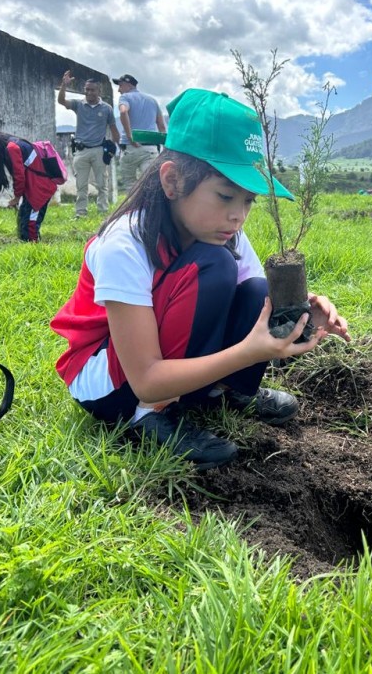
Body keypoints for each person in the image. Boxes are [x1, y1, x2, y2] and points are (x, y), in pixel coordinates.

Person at [50, 89, 351, 471]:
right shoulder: (123, 244)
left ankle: (218, 391)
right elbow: (144, 378)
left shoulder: (223, 231)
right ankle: (147, 416)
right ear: (172, 181)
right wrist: (247, 353)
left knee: (257, 289)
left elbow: (258, 299)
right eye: (226, 196)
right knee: (214, 266)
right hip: (114, 381)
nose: (238, 216)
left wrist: (305, 309)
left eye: (247, 201)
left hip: (157, 357)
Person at [0, 127, 59, 242]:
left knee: (30, 226)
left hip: (40, 188)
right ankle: (29, 247)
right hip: (33, 188)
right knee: (23, 222)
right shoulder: (8, 144)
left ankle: (34, 250)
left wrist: (17, 197)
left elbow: (19, 176)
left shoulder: (12, 148)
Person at [58, 71, 119, 218]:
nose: (89, 92)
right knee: (81, 184)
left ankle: (103, 211)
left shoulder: (107, 109)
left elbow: (113, 129)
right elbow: (61, 101)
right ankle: (80, 213)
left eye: (92, 90)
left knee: (102, 183)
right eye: (87, 89)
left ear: (99, 91)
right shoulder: (79, 105)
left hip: (99, 150)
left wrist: (116, 149)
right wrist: (63, 86)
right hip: (81, 150)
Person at [112, 73, 166, 189]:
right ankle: (151, 206)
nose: (118, 90)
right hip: (150, 149)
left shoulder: (125, 97)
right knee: (151, 184)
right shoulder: (152, 100)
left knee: (130, 184)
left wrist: (130, 135)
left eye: (120, 86)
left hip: (131, 148)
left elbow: (123, 111)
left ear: (128, 85)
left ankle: (134, 207)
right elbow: (162, 126)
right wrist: (165, 149)